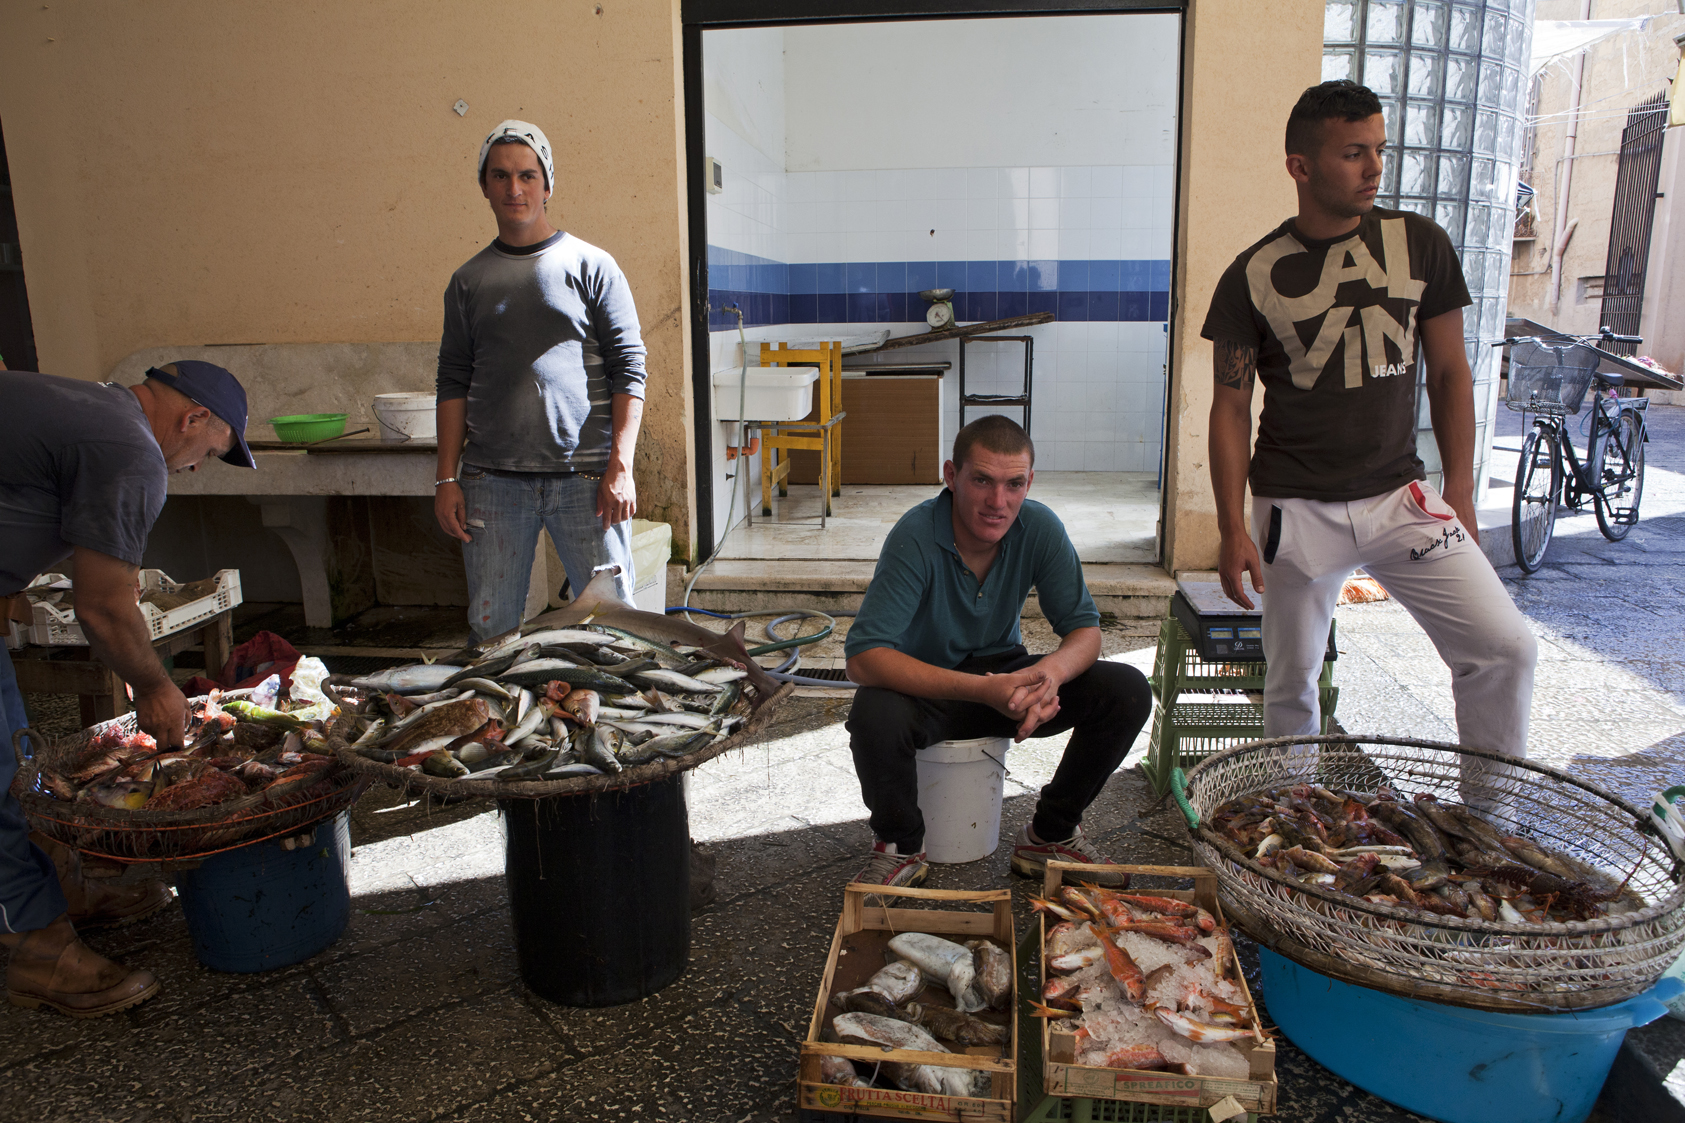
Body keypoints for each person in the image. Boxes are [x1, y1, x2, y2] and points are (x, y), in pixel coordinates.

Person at [1202, 80, 1536, 765]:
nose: (1373, 167)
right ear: (1299, 165)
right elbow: (1230, 405)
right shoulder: (1251, 275)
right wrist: (1231, 525)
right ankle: (1288, 827)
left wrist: (1462, 492)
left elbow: (1448, 374)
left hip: (1399, 498)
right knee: (1290, 685)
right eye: (1353, 152)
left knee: (1505, 647)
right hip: (1293, 506)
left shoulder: (1419, 244)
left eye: (1378, 150)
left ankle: (1486, 824)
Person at [0, 360, 255, 1016]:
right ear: (192, 417)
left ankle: (62, 885)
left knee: (15, 764)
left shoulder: (88, 407)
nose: (194, 467)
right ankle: (32, 945)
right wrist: (154, 685)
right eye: (208, 452)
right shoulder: (130, 448)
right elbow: (105, 607)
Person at [843, 415, 1153, 889]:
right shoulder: (915, 535)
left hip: (1006, 675)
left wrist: (1050, 673)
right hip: (929, 688)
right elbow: (864, 657)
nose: (998, 501)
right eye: (982, 481)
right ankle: (901, 844)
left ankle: (1049, 835)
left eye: (1013, 484)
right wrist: (982, 690)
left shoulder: (1040, 527)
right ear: (951, 476)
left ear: (1030, 481)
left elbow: (1085, 631)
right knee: (873, 712)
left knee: (1127, 690)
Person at [434, 119, 649, 641]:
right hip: (492, 482)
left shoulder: (593, 265)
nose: (515, 188)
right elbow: (453, 379)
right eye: (501, 176)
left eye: (528, 175)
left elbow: (630, 367)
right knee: (492, 629)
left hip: (587, 482)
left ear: (547, 184)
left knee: (616, 627)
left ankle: (616, 721)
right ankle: (505, 720)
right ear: (484, 186)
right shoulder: (468, 281)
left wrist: (621, 465)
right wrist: (446, 479)